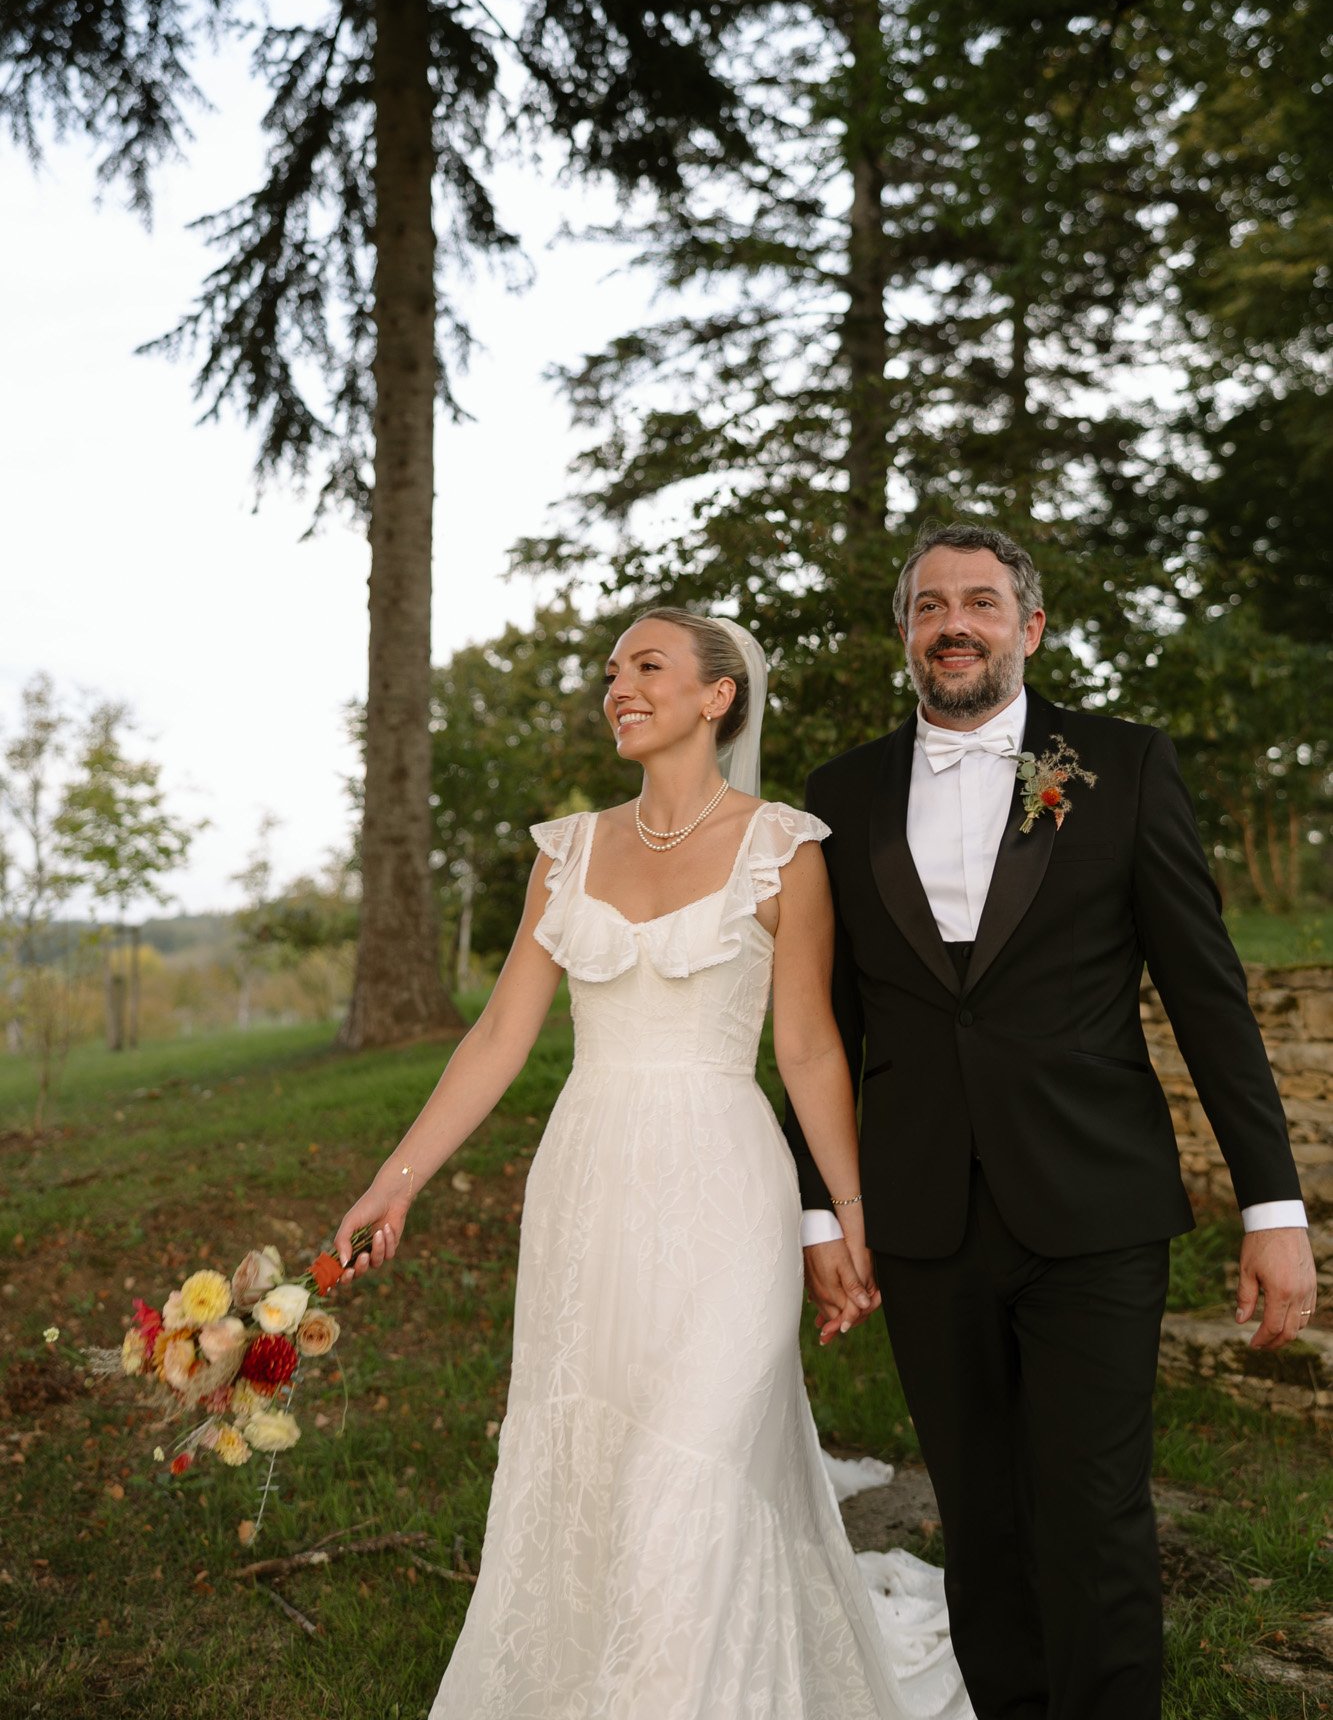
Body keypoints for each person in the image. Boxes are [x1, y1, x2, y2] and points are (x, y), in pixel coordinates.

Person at [335, 606, 971, 1720]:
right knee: (591, 1468)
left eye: (646, 665)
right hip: (589, 1191)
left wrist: (851, 1215)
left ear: (717, 695)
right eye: (612, 670)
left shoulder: (786, 846)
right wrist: (396, 1180)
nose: (617, 686)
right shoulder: (566, 851)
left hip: (729, 1194)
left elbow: (810, 1045)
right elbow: (497, 1037)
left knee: (695, 1473)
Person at [787, 520, 1317, 1720]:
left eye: (980, 602)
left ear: (1028, 627)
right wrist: (823, 1208)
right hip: (921, 1212)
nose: (954, 623)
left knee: (1093, 1513)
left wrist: (1271, 1204)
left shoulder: (1121, 764)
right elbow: (821, 1023)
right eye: (930, 606)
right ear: (907, 636)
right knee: (979, 1523)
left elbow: (1206, 993)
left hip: (1094, 1204)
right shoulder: (839, 794)